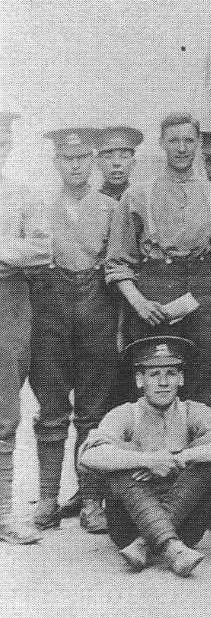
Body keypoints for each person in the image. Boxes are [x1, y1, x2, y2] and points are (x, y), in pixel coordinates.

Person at [78, 336, 211, 577]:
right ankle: (172, 548)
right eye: (154, 374)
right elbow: (89, 455)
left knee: (208, 461)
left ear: (181, 378)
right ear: (140, 380)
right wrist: (147, 459)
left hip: (186, 528)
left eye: (170, 373)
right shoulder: (125, 414)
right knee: (116, 462)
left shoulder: (193, 411)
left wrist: (181, 457)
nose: (163, 382)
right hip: (128, 528)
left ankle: (148, 543)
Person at [106, 112, 211, 410]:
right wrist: (139, 302)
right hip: (155, 296)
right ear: (162, 143)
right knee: (155, 379)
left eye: (189, 140)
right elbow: (117, 262)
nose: (181, 148)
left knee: (206, 385)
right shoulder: (137, 196)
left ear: (198, 144)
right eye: (174, 140)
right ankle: (153, 455)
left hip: (203, 296)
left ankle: (203, 455)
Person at [29, 128, 120, 534]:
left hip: (95, 301)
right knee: (50, 405)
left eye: (84, 158)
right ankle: (48, 499)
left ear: (94, 161)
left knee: (92, 408)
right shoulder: (39, 206)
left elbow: (117, 264)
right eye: (68, 159)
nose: (76, 165)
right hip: (49, 302)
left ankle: (91, 501)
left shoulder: (110, 208)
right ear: (56, 163)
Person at [0, 113, 52, 545]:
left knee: (4, 413)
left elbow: (40, 250)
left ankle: (2, 514)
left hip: (8, 300)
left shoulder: (22, 194)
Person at [97, 125, 143, 201]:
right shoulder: (90, 202)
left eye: (124, 156)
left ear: (133, 163)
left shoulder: (143, 201)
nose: (116, 163)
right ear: (98, 163)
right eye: (108, 157)